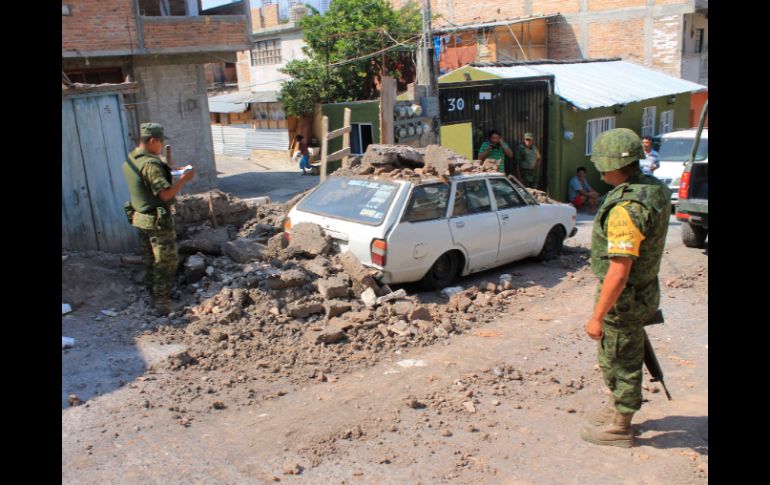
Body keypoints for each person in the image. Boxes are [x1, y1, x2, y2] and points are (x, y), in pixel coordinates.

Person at [580, 128, 671, 448]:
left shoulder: (626, 209)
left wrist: (597, 316)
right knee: (622, 352)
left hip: (625, 297)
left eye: (603, 163)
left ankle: (621, 426)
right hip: (643, 290)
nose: (600, 169)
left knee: (621, 358)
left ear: (617, 165)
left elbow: (619, 271)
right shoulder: (652, 188)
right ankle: (618, 408)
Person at [122, 123, 195, 315]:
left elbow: (149, 177)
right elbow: (165, 195)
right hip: (156, 221)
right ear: (153, 140)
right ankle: (162, 303)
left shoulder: (133, 158)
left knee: (149, 260)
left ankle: (153, 296)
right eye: (161, 142)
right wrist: (183, 180)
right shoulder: (150, 164)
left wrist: (172, 171)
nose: (162, 146)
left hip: (141, 218)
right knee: (166, 261)